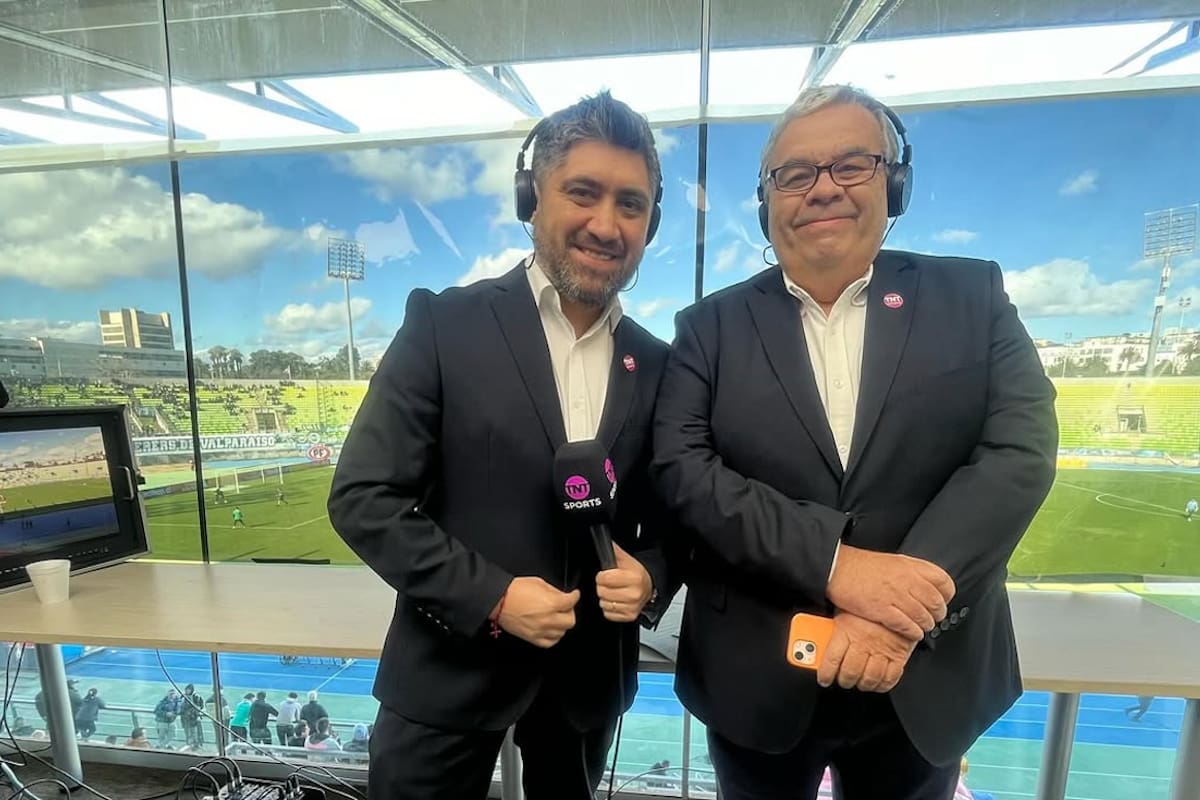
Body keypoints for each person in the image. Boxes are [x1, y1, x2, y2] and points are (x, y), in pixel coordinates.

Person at [651, 84, 1058, 800]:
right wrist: (837, 565)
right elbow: (685, 473)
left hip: (924, 673)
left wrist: (898, 607)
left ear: (893, 182)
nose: (822, 189)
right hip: (758, 681)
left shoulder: (974, 295)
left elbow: (1019, 451)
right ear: (766, 201)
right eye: (796, 173)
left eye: (852, 165)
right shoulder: (706, 329)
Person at [327, 90, 675, 800]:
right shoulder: (443, 326)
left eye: (630, 204)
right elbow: (364, 498)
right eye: (583, 192)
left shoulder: (660, 363)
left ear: (650, 223)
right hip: (446, 673)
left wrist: (652, 577)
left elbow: (675, 518)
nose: (606, 224)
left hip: (585, 688)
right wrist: (492, 596)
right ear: (532, 198)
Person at [180, 683, 205, 748]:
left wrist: (193, 712)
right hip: (185, 718)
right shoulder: (183, 696)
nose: (187, 691)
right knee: (187, 733)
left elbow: (199, 706)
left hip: (193, 719)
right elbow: (180, 706)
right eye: (186, 690)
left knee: (194, 732)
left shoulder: (196, 696)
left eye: (189, 690)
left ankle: (195, 745)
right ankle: (189, 745)